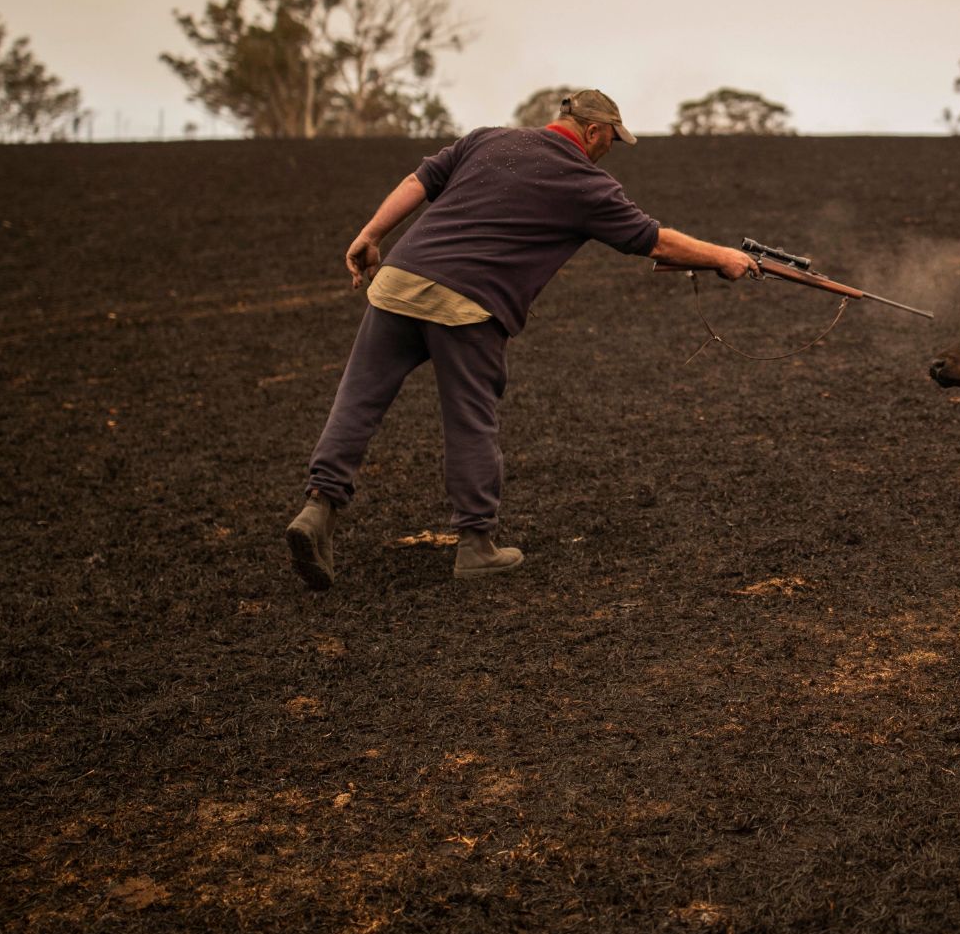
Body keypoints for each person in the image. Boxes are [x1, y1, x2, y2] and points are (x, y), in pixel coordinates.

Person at [285, 89, 754, 587]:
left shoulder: (487, 139)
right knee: (470, 420)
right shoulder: (584, 182)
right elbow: (653, 240)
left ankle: (317, 509)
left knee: (357, 400)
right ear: (593, 131)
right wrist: (724, 257)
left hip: (398, 281)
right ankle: (475, 546)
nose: (610, 150)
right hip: (468, 303)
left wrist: (371, 234)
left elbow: (417, 180)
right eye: (612, 140)